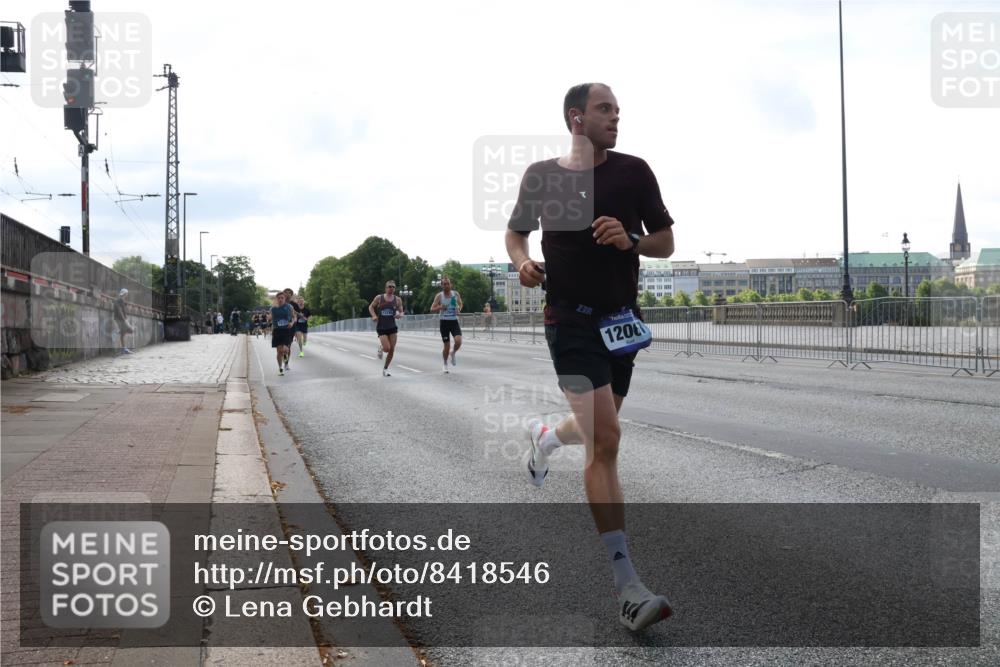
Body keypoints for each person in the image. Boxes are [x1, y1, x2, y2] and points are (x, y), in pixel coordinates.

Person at [505, 82, 676, 632]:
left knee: (595, 429)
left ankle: (547, 438)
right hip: (569, 321)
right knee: (606, 439)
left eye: (619, 110)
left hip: (620, 323)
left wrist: (631, 238)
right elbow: (515, 234)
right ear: (576, 118)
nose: (616, 117)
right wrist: (523, 263)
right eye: (605, 109)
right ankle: (628, 588)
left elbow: (666, 241)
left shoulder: (635, 171)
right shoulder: (543, 176)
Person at [368, 280, 403, 376]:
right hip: (382, 327)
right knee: (387, 348)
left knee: (392, 349)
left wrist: (400, 315)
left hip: (392, 327)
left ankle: (385, 369)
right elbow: (371, 307)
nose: (391, 288)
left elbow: (401, 311)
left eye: (393, 287)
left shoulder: (398, 299)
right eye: (389, 286)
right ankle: (381, 347)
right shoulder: (379, 298)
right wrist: (374, 316)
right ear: (386, 288)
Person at [430, 276, 462, 373]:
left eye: (448, 283)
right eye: (444, 284)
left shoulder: (455, 294)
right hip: (444, 322)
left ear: (450, 284)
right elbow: (432, 309)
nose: (447, 285)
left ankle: (453, 353)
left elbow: (460, 303)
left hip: (454, 321)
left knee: (458, 341)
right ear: (441, 285)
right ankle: (445, 364)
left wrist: (459, 309)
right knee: (446, 346)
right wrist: (440, 307)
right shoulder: (439, 296)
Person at [269, 292, 295, 375]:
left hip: (287, 330)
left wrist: (292, 323)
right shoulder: (273, 309)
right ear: (276, 299)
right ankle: (280, 368)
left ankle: (286, 363)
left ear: (285, 299)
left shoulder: (289, 307)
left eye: (282, 298)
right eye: (279, 298)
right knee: (279, 351)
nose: (280, 299)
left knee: (285, 349)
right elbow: (271, 319)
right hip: (277, 330)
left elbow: (294, 317)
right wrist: (269, 319)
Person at [113, 288, 134, 354]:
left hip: (123, 319)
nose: (126, 295)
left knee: (124, 333)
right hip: (120, 319)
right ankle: (124, 349)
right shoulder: (118, 300)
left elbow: (123, 310)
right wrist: (124, 319)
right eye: (126, 294)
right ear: (124, 294)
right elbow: (119, 311)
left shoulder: (122, 301)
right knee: (131, 330)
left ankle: (124, 349)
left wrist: (126, 317)